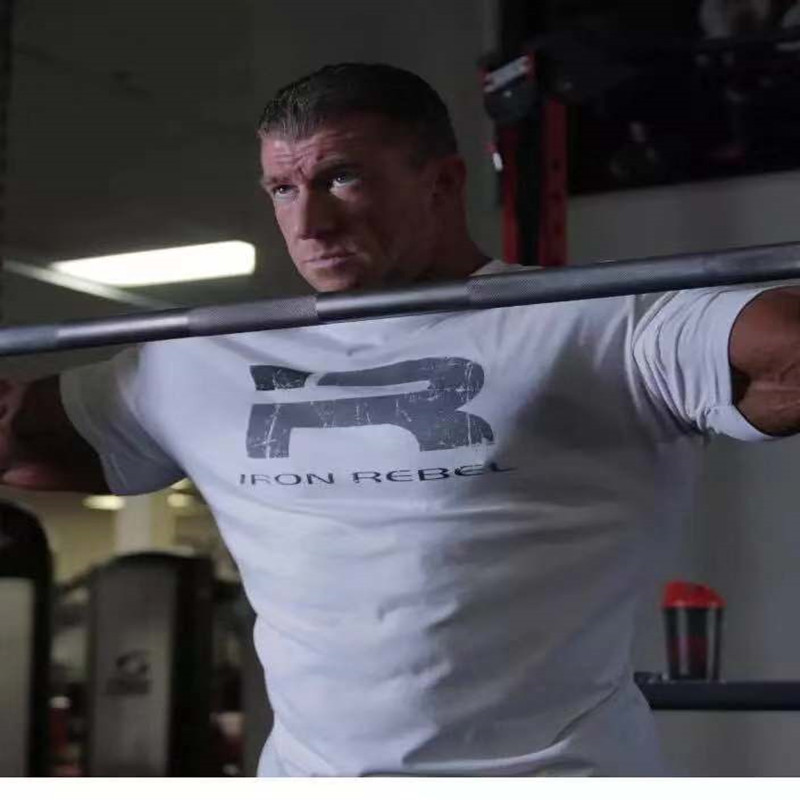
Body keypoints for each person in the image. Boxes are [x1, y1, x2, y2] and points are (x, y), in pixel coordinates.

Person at [3, 62, 800, 777]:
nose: (309, 223)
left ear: (443, 183)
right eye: (283, 189)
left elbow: (779, 354)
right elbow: (24, 441)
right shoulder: (195, 363)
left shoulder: (595, 324)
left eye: (342, 178)